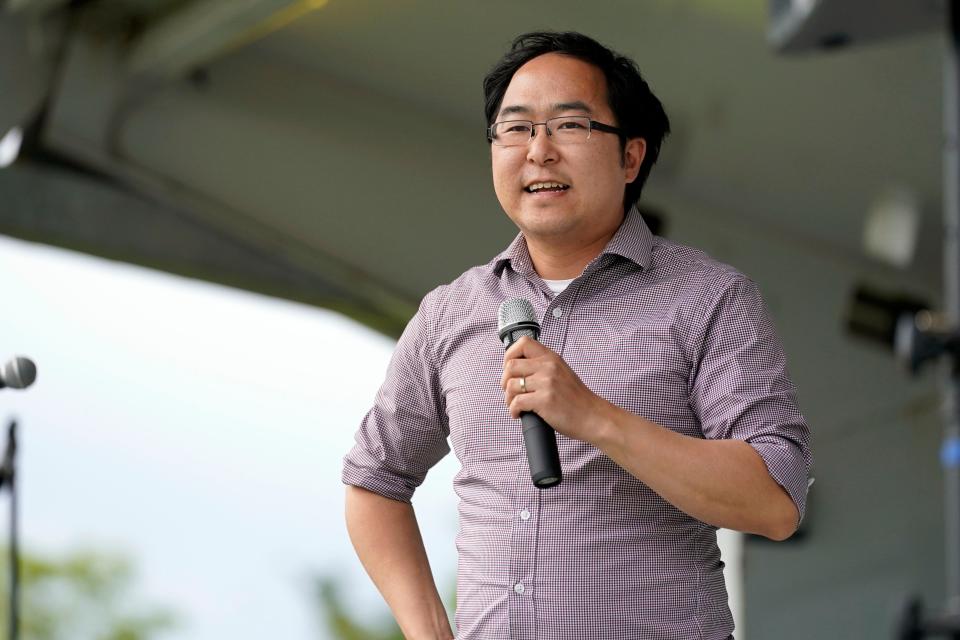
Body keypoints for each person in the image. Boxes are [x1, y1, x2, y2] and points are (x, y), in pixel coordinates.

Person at [342, 31, 812, 640]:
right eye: (515, 128)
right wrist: (427, 630)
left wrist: (593, 417)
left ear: (631, 157)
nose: (538, 152)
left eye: (569, 126)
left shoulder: (709, 298)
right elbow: (375, 480)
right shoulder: (449, 313)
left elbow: (776, 499)